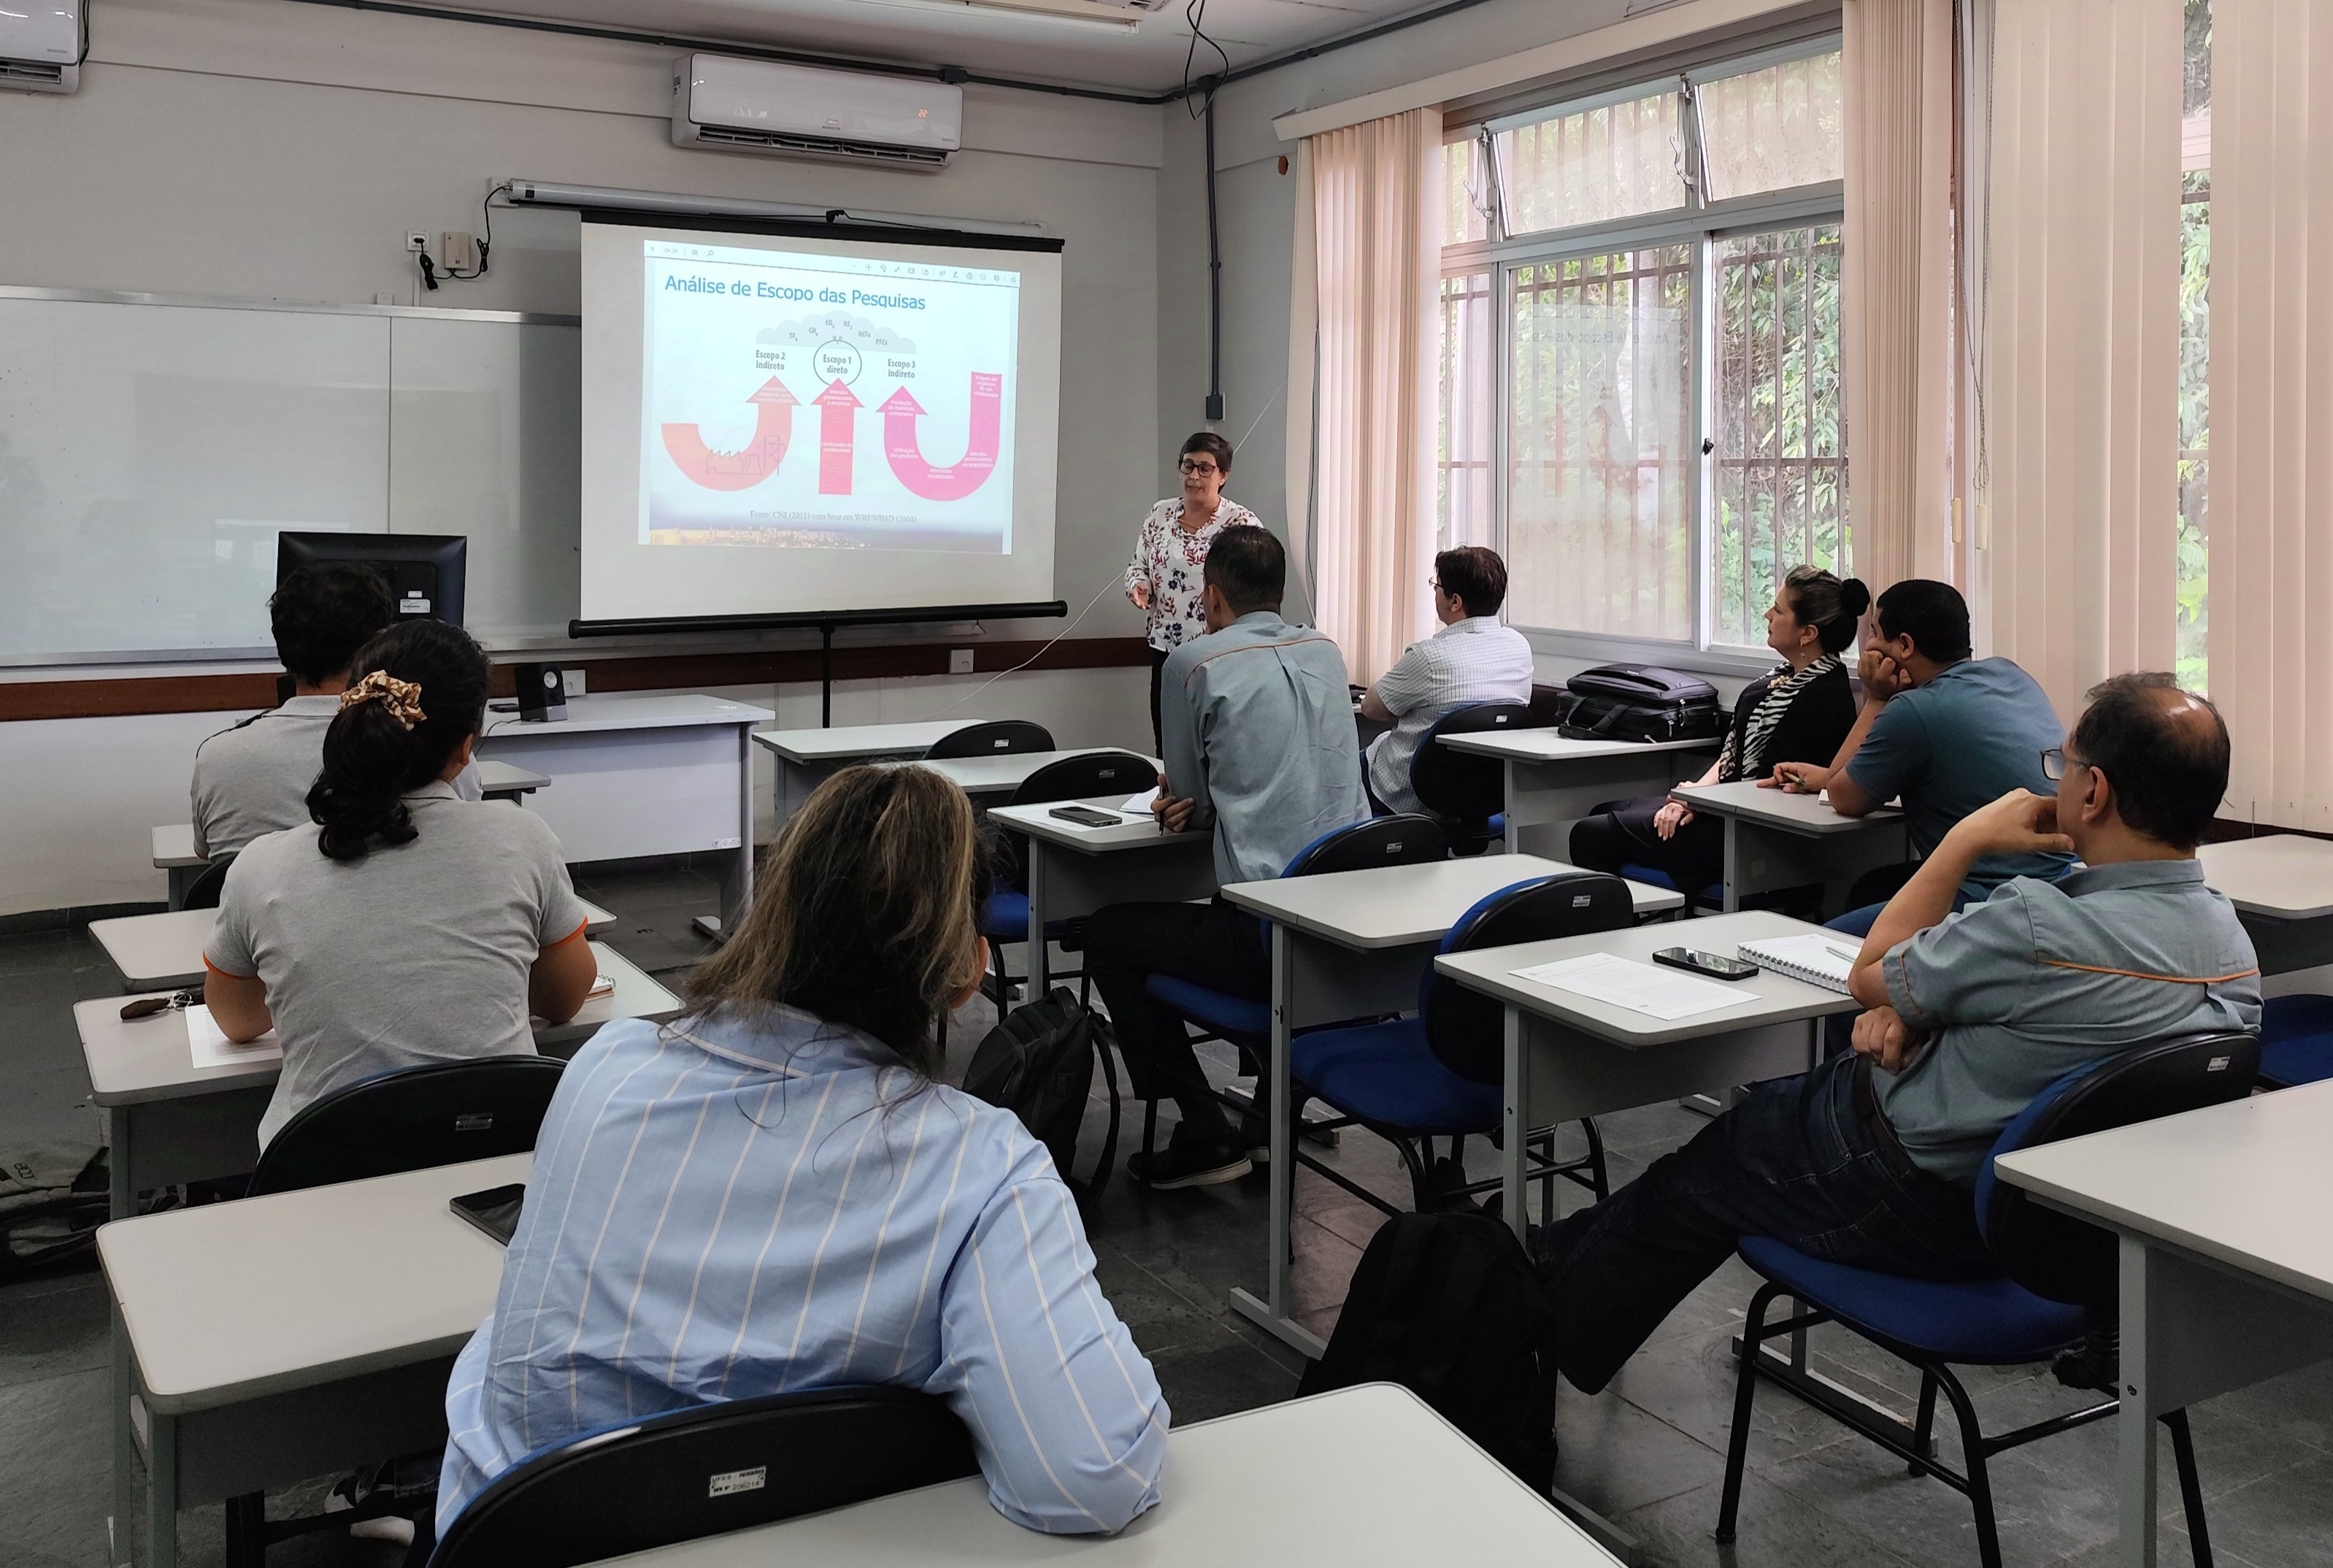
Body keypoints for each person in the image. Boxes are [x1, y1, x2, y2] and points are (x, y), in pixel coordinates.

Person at [434, 766, 1168, 1543]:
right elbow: (1093, 1479)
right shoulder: (982, 1168)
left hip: (520, 1538)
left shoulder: (605, 1070)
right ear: (966, 974)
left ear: (767, 915)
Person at [1529, 673, 2259, 1397]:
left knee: (1700, 1172)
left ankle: (1531, 1344)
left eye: (2060, 765)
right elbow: (2040, 1023)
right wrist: (1914, 1006)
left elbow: (1868, 971)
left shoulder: (2037, 925)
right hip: (2054, 1229)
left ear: (2093, 792)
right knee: (1710, 1166)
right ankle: (1548, 1264)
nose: (2054, 780)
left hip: (1911, 1193)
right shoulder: (2228, 944)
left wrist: (1966, 838)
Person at [203, 619, 597, 1148]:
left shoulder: (261, 866)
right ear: (465, 750)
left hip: (324, 1171)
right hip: (495, 1154)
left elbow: (237, 1021)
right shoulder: (522, 837)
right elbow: (564, 1000)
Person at [1085, 525, 1369, 1190]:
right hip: (1344, 931)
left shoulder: (1195, 662)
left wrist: (1181, 796)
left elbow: (1192, 802)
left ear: (1211, 595)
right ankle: (1268, 1122)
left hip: (1263, 932)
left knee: (1107, 935)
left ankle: (1204, 1129)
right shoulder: (1326, 650)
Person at [1765, 578, 2072, 935]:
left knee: (1820, 944)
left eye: (1876, 633)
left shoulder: (1913, 711)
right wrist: (1825, 777)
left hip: (1989, 899)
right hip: (2061, 885)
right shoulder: (2009, 674)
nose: (1868, 644)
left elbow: (1843, 797)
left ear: (1905, 646)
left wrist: (1877, 698)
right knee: (1871, 888)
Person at [1569, 567, 1866, 894]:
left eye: (1779, 610)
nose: (1768, 614)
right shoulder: (1786, 676)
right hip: (1722, 806)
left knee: (1589, 835)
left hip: (1748, 832)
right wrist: (1693, 792)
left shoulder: (1824, 696)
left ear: (1807, 634)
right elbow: (1733, 756)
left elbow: (1769, 784)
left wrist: (1696, 803)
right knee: (1603, 811)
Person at [192, 564, 480, 859]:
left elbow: (205, 858)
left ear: (281, 644)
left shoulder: (217, 758)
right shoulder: (437, 744)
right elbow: (459, 834)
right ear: (381, 642)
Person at [1359, 546, 1537, 815]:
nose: (1434, 592)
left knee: (1336, 771)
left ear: (1455, 602)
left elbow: (1372, 707)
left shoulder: (1429, 657)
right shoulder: (1519, 647)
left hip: (1404, 795)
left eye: (1436, 586)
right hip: (1480, 795)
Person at [1124, 431, 1263, 752]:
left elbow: (1257, 582)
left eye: (1205, 468)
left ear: (1223, 475)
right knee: (1169, 745)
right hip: (1167, 652)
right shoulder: (1160, 515)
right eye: (1188, 466)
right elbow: (1137, 566)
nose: (1194, 476)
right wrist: (1138, 586)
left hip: (1220, 654)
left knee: (1215, 744)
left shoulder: (1241, 523)